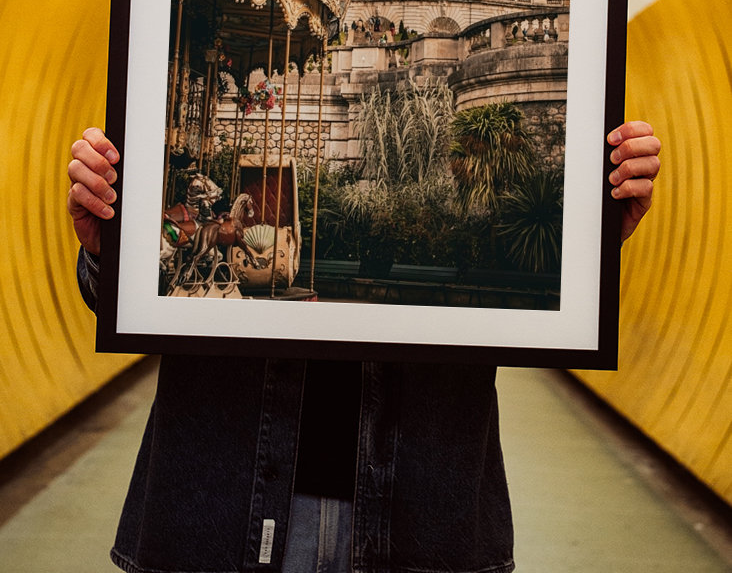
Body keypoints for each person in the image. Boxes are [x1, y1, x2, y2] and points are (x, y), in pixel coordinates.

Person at [68, 121, 660, 573]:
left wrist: (585, 245)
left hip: (422, 509)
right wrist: (109, 250)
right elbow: (130, 298)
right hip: (221, 499)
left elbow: (532, 290)